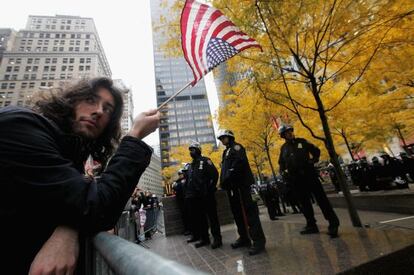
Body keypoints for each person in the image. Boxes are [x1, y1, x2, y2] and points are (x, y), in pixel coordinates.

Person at [0, 77, 160, 274]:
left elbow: (75, 205)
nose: (99, 111)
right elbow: (93, 205)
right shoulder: (19, 125)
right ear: (70, 101)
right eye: (91, 100)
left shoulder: (69, 153)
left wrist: (67, 230)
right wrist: (134, 136)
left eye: (107, 109)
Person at [278, 125, 340, 238]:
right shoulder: (283, 149)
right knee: (304, 203)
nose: (290, 133)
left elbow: (316, 150)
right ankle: (311, 225)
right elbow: (281, 164)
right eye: (286, 133)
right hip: (296, 180)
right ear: (283, 136)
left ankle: (333, 223)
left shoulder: (302, 141)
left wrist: (313, 160)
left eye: (290, 131)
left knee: (322, 200)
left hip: (309, 175)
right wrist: (284, 174)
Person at [218, 130, 266, 255]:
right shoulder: (225, 151)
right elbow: (225, 169)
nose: (222, 140)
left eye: (224, 137)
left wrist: (228, 177)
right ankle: (244, 238)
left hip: (243, 186)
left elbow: (239, 163)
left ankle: (258, 241)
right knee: (237, 214)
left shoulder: (237, 147)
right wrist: (223, 182)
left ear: (230, 137)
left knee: (251, 213)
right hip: (233, 188)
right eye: (221, 138)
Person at [186, 141, 222, 249]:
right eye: (190, 150)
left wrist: (210, 189)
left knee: (212, 218)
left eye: (192, 150)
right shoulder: (191, 165)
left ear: (198, 150)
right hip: (196, 197)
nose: (191, 152)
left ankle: (217, 239)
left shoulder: (206, 160)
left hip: (207, 195)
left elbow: (214, 175)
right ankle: (205, 239)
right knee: (201, 219)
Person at [172, 169, 191, 235]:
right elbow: (174, 187)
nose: (180, 175)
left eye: (181, 174)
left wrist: (175, 186)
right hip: (181, 201)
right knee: (184, 216)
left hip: (186, 201)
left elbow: (178, 187)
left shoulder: (185, 180)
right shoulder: (178, 181)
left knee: (188, 216)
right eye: (179, 174)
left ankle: (189, 229)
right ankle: (186, 229)